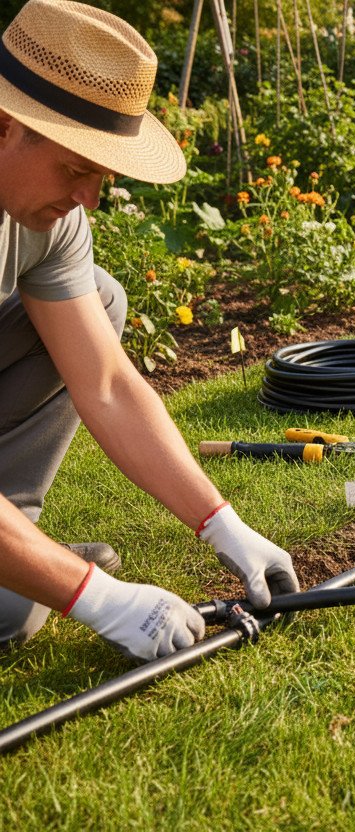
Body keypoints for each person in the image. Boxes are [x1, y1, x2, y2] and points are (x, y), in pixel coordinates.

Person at [0, 0, 299, 662]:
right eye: (77, 169)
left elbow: (104, 382)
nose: (89, 199)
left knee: (97, 300)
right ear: (4, 125)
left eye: (99, 175)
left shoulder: (44, 219)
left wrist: (224, 525)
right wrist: (96, 597)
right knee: (12, 614)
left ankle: (16, 540)